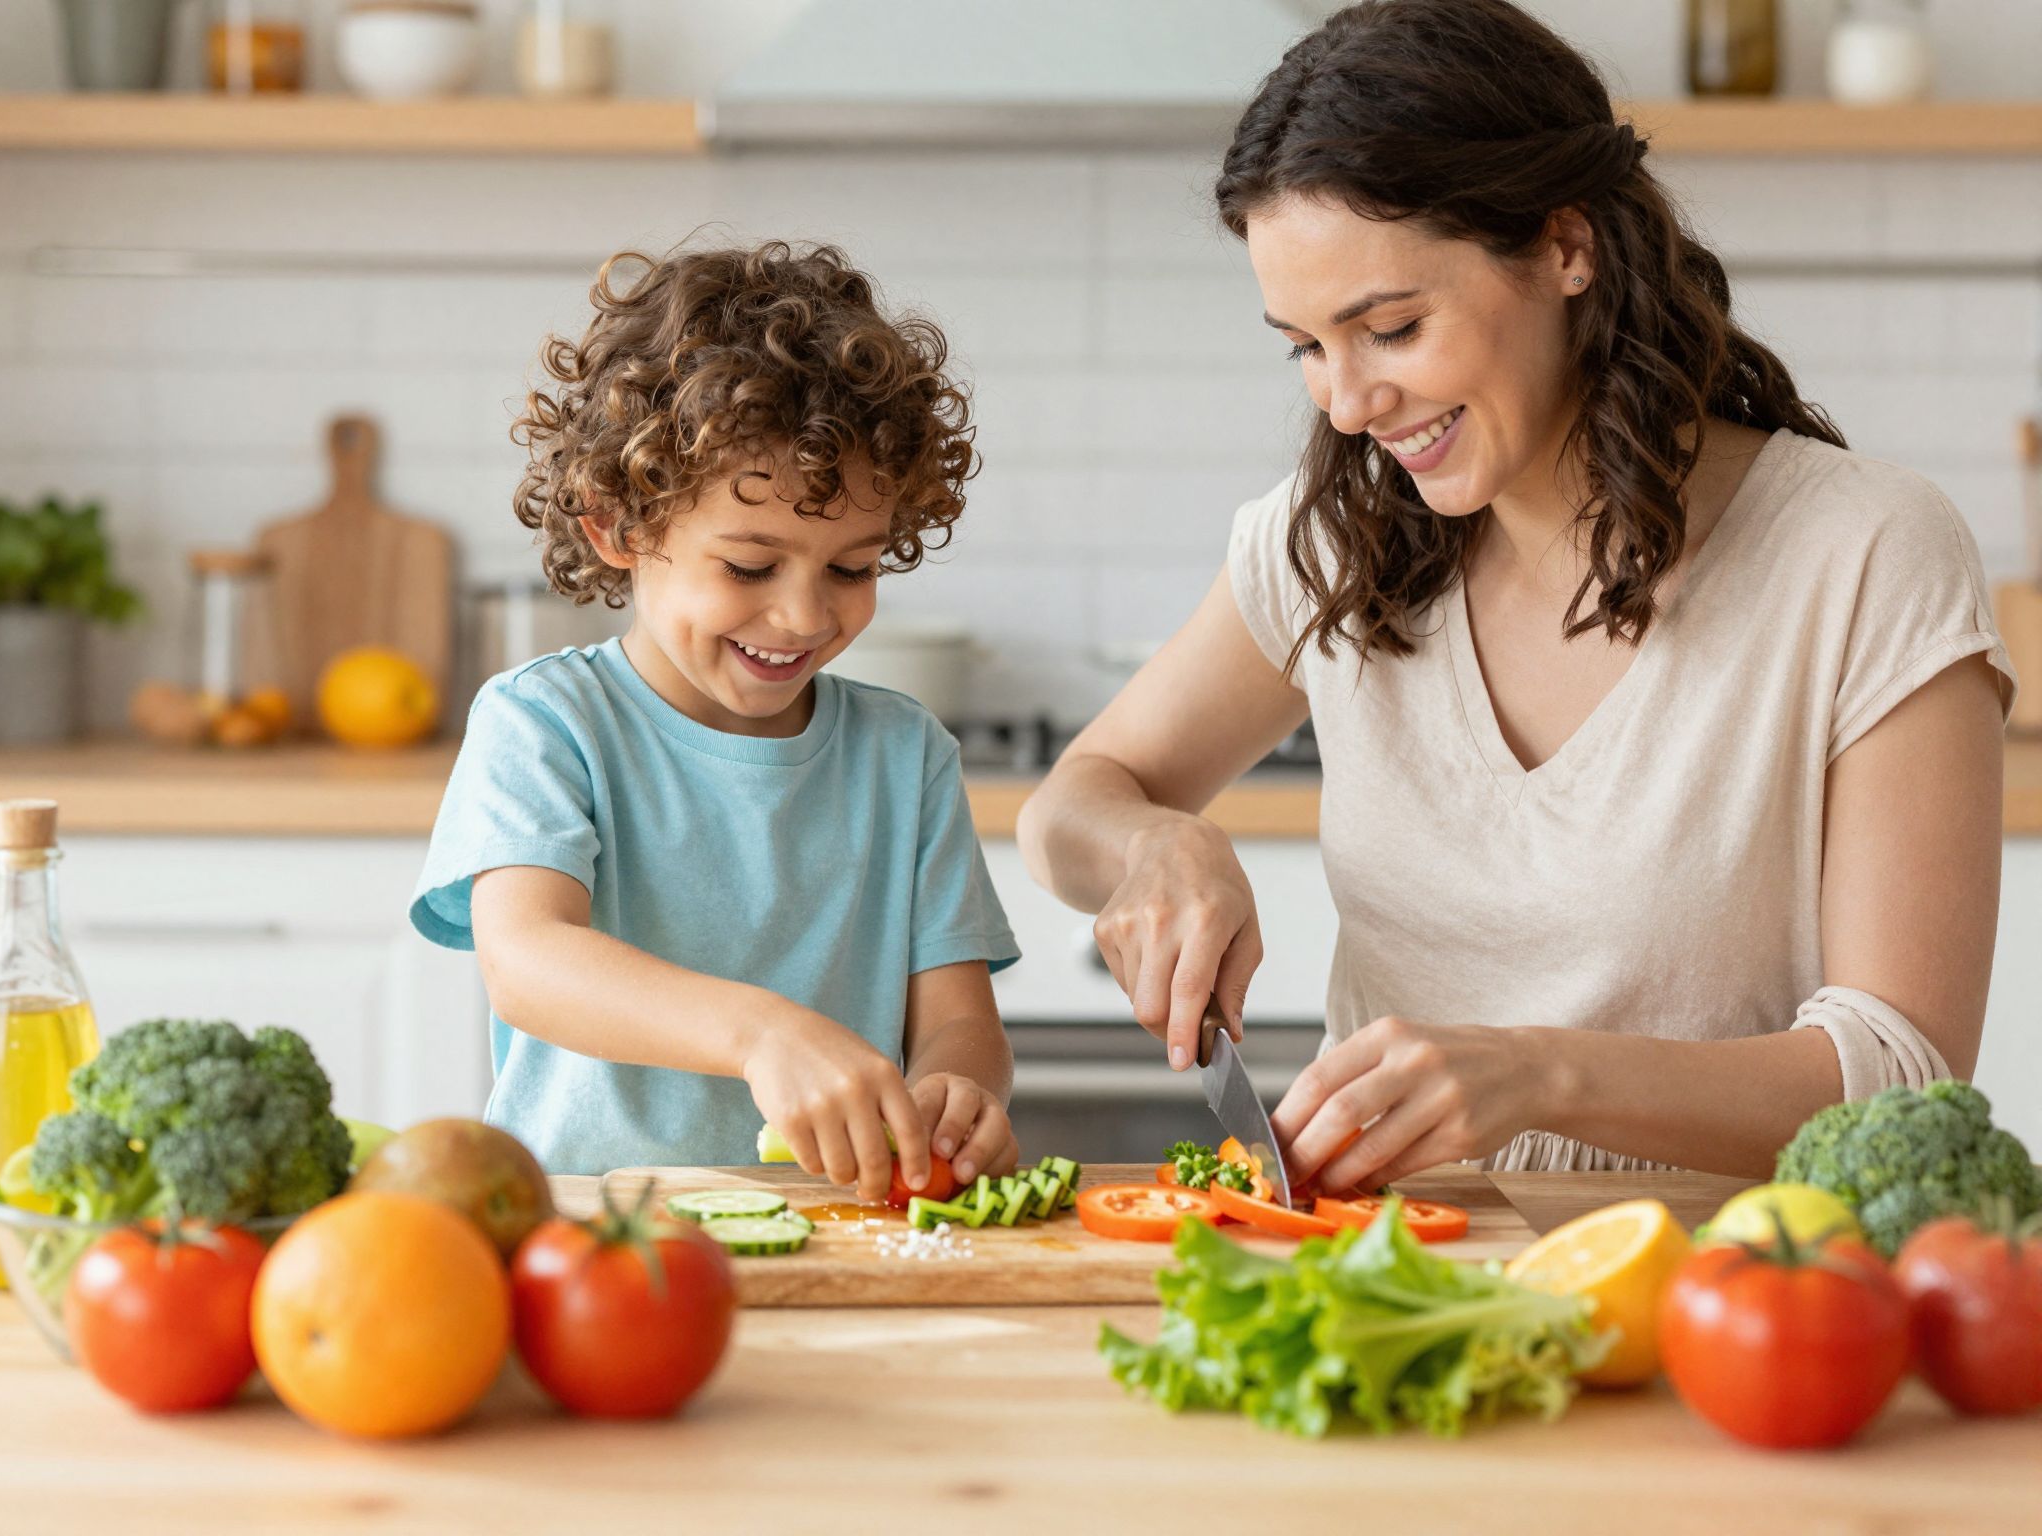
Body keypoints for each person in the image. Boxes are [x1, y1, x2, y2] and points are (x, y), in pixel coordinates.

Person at [1017, 0, 2014, 1190]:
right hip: (1387, 1284)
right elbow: (1067, 808)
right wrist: (1153, 846)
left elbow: (1902, 1071)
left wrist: (1535, 1077)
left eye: (1387, 327)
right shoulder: (1328, 541)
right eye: (1302, 345)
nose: (1343, 403)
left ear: (1562, 248)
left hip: (1718, 1309)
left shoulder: (1862, 554)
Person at [411, 241, 1020, 1197]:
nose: (805, 616)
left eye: (852, 569)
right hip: (593, 1230)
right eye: (749, 566)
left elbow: (957, 1020)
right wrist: (761, 1032)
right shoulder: (545, 722)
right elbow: (527, 961)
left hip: (840, 1230)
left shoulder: (907, 757)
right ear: (619, 525)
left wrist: (958, 1088)